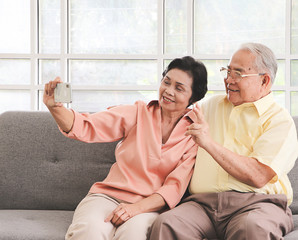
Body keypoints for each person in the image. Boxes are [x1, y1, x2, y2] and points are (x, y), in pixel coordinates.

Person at [43, 56, 208, 240]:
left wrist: (134, 209)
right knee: (89, 232)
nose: (168, 91)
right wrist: (55, 108)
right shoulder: (137, 113)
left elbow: (173, 188)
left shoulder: (194, 134)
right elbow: (87, 126)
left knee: (133, 235)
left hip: (148, 208)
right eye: (166, 82)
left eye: (179, 88)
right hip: (106, 198)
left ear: (193, 97)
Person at [148, 43, 298, 240]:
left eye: (238, 74)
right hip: (202, 205)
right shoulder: (212, 105)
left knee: (252, 228)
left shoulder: (278, 120)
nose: (228, 80)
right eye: (227, 71)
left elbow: (258, 175)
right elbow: (171, 116)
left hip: (258, 205)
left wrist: (208, 142)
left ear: (264, 81)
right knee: (167, 223)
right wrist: (131, 120)